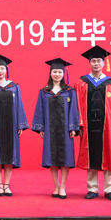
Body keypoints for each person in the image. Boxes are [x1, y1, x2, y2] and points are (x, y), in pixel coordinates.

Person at [74, 46, 111, 201]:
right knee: (89, 154)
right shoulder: (82, 83)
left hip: (107, 126)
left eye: (99, 61)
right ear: (89, 63)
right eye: (93, 61)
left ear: (104, 63)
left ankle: (109, 189)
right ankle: (92, 189)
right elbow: (77, 104)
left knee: (109, 155)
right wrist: (78, 124)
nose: (96, 63)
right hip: (88, 125)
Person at [31, 58, 80, 200]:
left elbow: (73, 110)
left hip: (65, 130)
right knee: (51, 158)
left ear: (64, 73)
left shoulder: (70, 91)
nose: (57, 74)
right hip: (50, 129)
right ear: (50, 73)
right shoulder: (44, 92)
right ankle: (56, 186)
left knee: (66, 157)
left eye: (59, 72)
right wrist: (41, 127)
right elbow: (39, 110)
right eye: (55, 72)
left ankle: (63, 186)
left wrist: (73, 127)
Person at [0, 55, 28, 197]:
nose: (0, 71)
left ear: (6, 69)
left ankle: (6, 185)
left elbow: (19, 105)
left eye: (2, 68)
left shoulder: (14, 87)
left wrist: (20, 124)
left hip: (11, 125)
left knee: (10, 155)